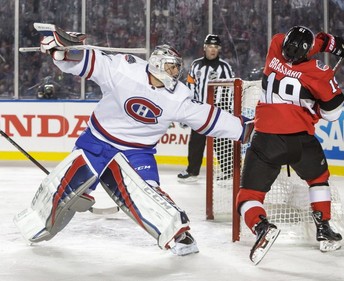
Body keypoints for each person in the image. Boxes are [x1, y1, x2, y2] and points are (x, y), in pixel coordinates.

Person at [14, 25, 252, 257]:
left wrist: (243, 128)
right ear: (157, 64)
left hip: (137, 152)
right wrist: (62, 51)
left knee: (149, 193)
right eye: (170, 68)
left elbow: (208, 117)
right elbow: (86, 63)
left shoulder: (179, 97)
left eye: (176, 69)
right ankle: (37, 221)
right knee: (64, 184)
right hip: (98, 141)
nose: (174, 73)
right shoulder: (124, 69)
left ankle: (177, 234)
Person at [235, 26, 344, 264]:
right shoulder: (320, 72)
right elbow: (333, 113)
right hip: (300, 140)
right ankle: (324, 228)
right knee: (318, 180)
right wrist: (331, 45)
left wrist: (327, 43)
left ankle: (261, 226)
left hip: (266, 138)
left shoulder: (276, 45)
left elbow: (308, 44)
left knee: (247, 196)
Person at [177, 34, 235, 182]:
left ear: (219, 49)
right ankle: (192, 171)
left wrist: (228, 111)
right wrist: (188, 109)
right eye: (210, 46)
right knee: (196, 141)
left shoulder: (225, 67)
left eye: (216, 47)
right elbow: (190, 87)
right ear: (204, 48)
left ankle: (228, 173)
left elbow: (230, 90)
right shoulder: (196, 65)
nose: (213, 50)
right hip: (199, 110)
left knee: (221, 142)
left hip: (218, 111)